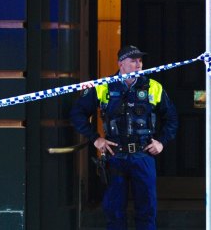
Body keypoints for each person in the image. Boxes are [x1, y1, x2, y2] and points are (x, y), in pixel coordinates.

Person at [70, 45, 178, 230]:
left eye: (140, 61)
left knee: (147, 210)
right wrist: (96, 139)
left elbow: (172, 118)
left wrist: (161, 142)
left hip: (143, 155)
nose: (138, 64)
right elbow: (77, 113)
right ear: (121, 63)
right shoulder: (103, 86)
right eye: (133, 60)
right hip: (115, 156)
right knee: (114, 211)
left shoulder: (153, 86)